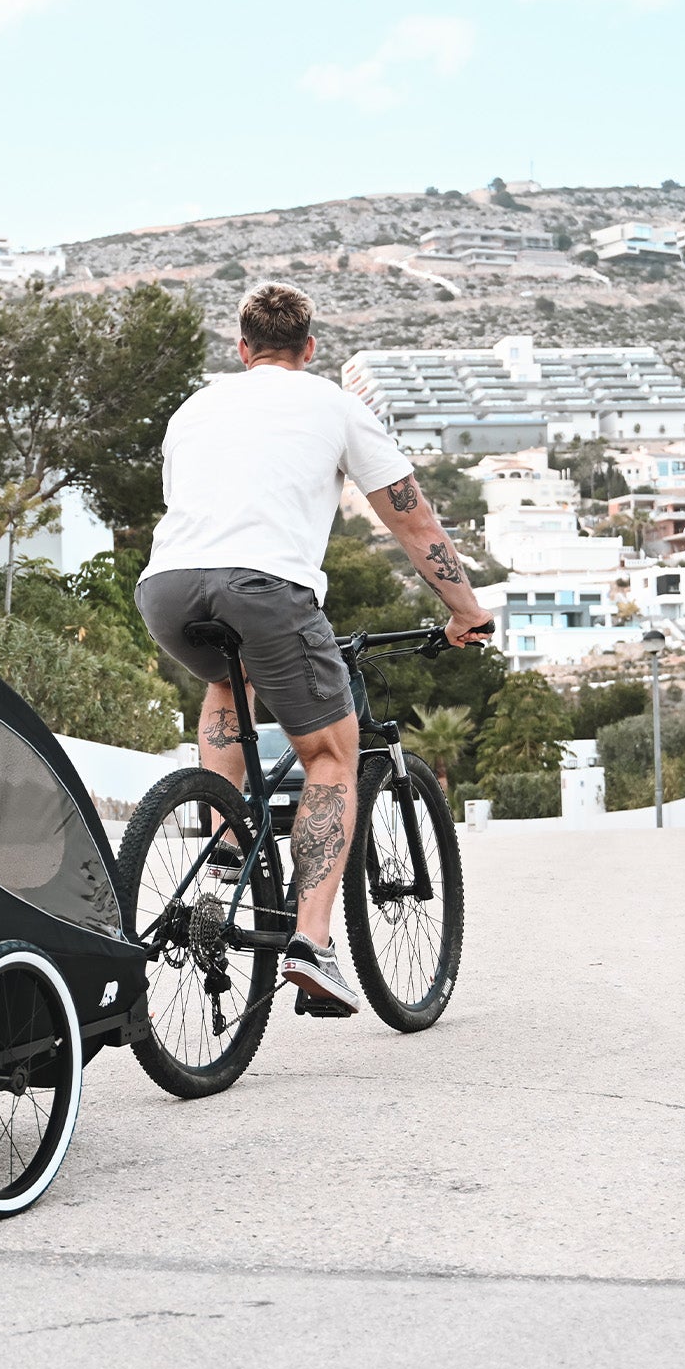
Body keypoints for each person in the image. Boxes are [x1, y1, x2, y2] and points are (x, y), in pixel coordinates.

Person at [135, 282, 492, 1014]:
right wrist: (465, 611)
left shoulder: (195, 408)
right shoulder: (333, 402)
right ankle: (313, 945)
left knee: (228, 685)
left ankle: (223, 854)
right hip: (264, 588)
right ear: (309, 349)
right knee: (331, 755)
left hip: (165, 589)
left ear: (242, 349)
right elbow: (414, 523)